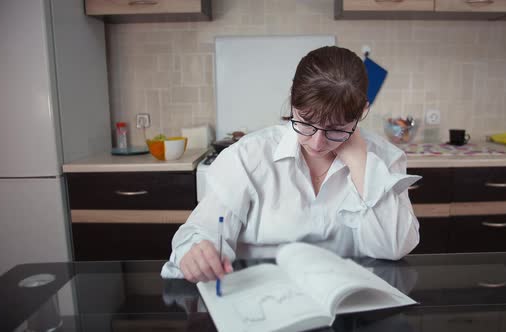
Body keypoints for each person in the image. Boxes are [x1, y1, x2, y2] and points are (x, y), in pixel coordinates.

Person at [161, 46, 421, 282]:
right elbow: (201, 230)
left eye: (336, 128)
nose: (317, 142)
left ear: (362, 111)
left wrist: (361, 164)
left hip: (347, 306)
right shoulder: (249, 156)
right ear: (293, 101)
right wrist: (197, 251)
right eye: (305, 122)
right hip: (261, 301)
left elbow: (392, 248)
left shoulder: (385, 159)